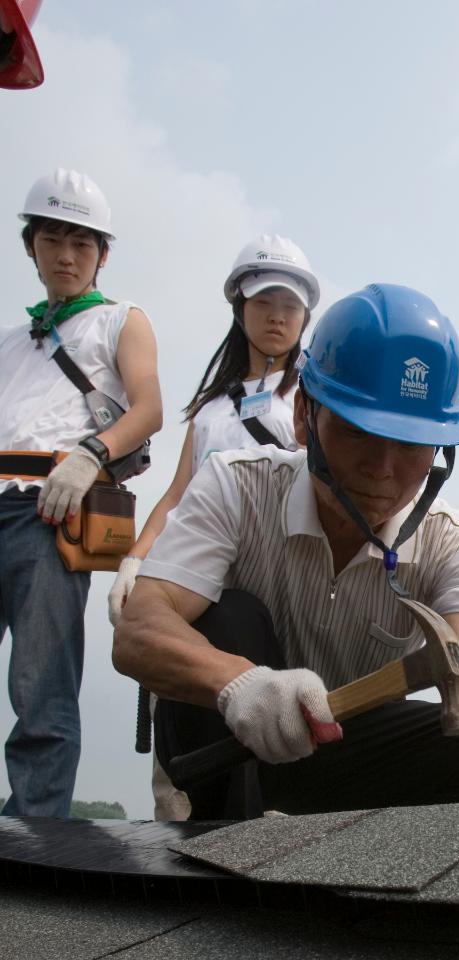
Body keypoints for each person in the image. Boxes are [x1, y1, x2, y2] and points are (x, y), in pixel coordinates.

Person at [113, 283, 459, 818]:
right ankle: (227, 858)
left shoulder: (455, 542)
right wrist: (237, 683)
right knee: (227, 619)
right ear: (304, 417)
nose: (383, 469)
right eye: (359, 433)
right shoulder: (235, 487)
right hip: (229, 750)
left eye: (410, 445)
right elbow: (140, 628)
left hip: (347, 757)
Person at [108, 233, 320, 821]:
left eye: (291, 307)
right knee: (187, 734)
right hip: (198, 586)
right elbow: (178, 493)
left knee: (273, 733)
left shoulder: (312, 395)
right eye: (264, 303)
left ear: (306, 316)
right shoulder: (209, 407)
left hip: (274, 591)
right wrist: (138, 559)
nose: (278, 317)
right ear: (239, 308)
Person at [0, 168, 162, 816]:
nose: (66, 255)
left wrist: (91, 455)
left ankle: (32, 841)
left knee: (41, 683)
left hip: (52, 509)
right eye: (53, 240)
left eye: (82, 243)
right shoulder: (13, 342)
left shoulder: (122, 320)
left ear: (102, 254)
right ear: (30, 246)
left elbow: (147, 409)